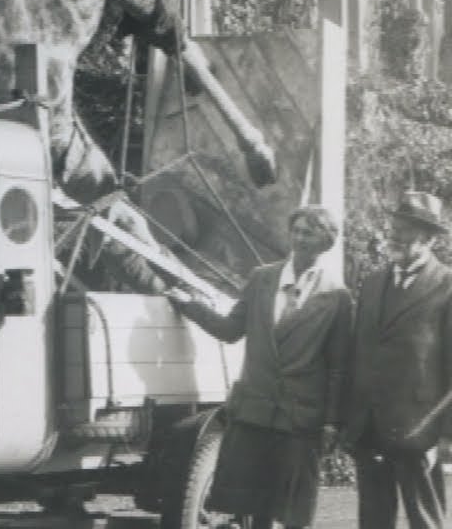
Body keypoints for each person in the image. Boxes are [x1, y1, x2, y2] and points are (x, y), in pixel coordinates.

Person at [164, 205, 353, 529]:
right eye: (296, 230)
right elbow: (230, 330)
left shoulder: (337, 298)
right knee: (252, 507)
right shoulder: (262, 278)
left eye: (309, 233)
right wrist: (188, 305)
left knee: (294, 510)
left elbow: (338, 367)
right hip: (255, 410)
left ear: (326, 242)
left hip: (299, 417)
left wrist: (332, 423)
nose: (300, 238)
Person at [342, 191, 452, 529]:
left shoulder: (447, 286)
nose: (395, 234)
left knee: (426, 521)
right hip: (369, 425)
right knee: (373, 520)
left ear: (430, 238)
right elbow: (357, 352)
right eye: (395, 225)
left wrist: (446, 437)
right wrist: (348, 418)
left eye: (406, 229)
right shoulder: (374, 282)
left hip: (418, 430)